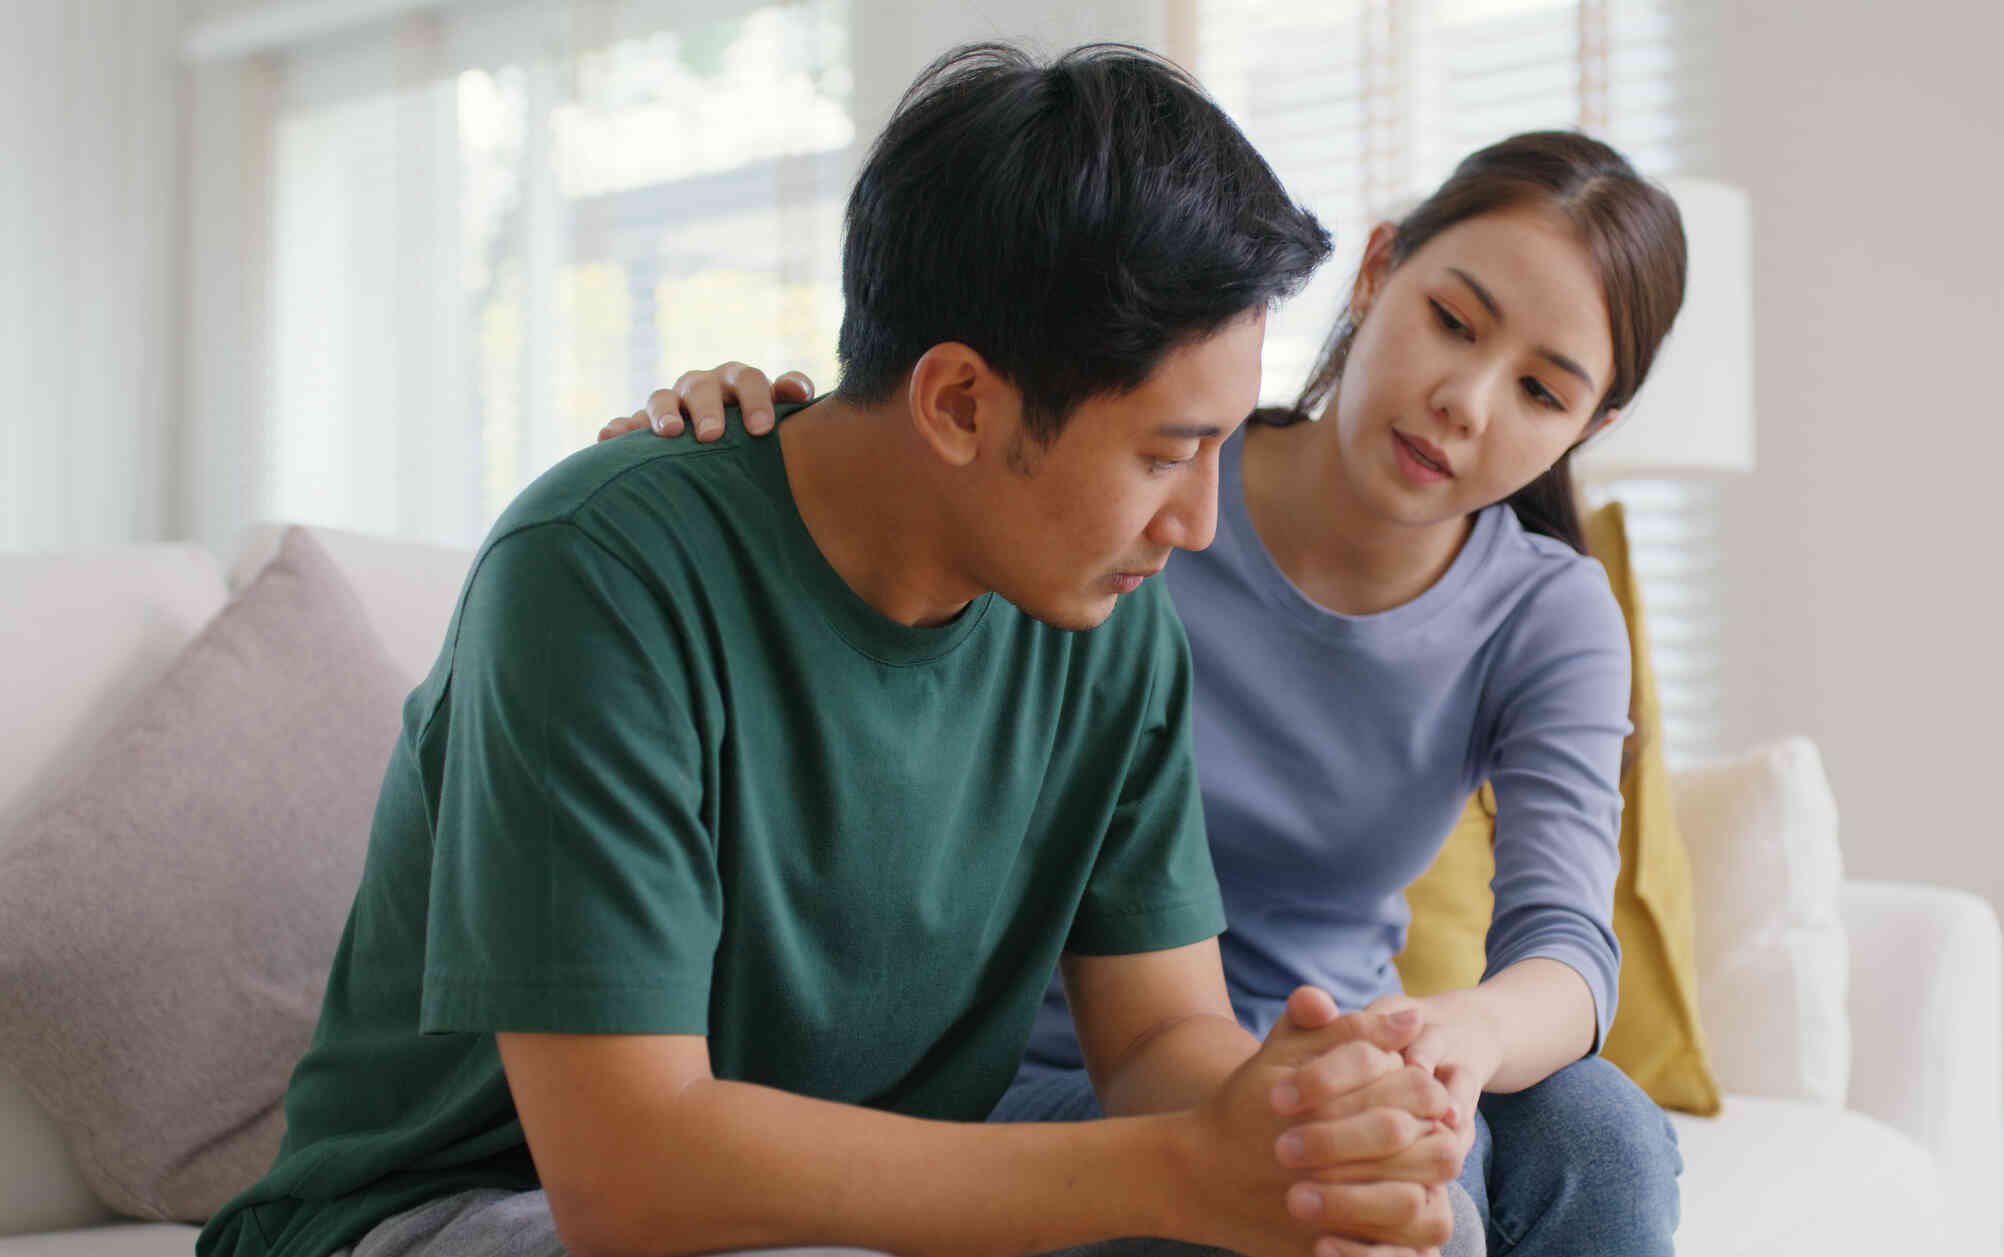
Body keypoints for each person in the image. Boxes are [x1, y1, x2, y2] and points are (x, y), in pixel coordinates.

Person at [200, 43, 1483, 1257]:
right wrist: (1178, 1175)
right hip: (457, 1208)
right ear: (960, 403)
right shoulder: (596, 571)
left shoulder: (1109, 617)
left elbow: (1157, 1042)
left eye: (1216, 446)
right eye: (1163, 452)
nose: (1200, 522)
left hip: (852, 1208)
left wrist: (1291, 1131)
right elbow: (624, 1170)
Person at [618, 130, 1692, 1256]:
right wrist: (751, 428)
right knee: (1410, 1213)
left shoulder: (1545, 611)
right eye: (1451, 322)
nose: (1463, 402)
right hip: (1052, 1078)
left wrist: (1443, 1040)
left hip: (1339, 1053)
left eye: (1538, 389)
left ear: (1591, 427)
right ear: (1376, 271)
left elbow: (1565, 948)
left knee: (1599, 1129)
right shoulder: (1129, 484)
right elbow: (921, 464)